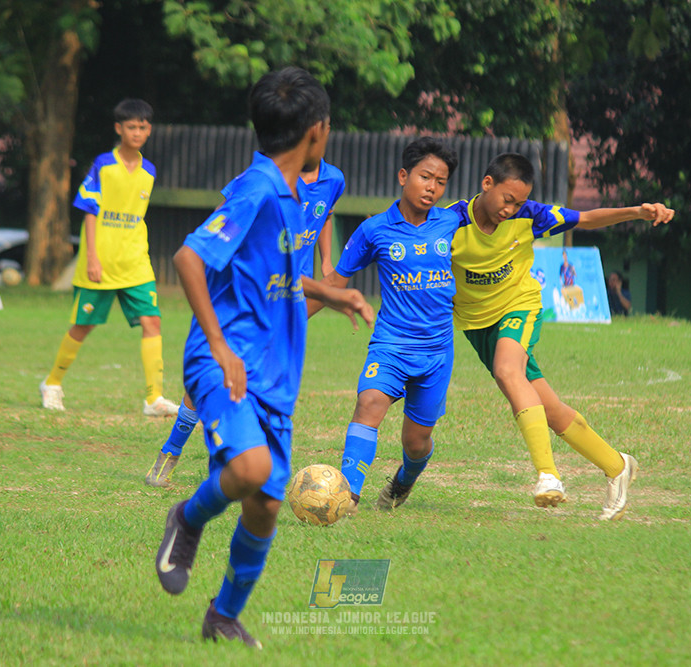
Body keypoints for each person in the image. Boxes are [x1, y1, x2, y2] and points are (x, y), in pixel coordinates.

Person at [154, 67, 373, 648]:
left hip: (275, 374)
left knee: (266, 506)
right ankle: (187, 517)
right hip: (225, 362)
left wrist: (330, 292)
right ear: (316, 130)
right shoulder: (255, 189)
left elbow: (275, 276)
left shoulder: (296, 196)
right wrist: (219, 346)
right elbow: (188, 258)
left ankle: (223, 616)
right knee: (250, 470)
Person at [446, 153, 674, 520]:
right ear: (487, 184)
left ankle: (548, 476)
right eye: (507, 199)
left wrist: (637, 212)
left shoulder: (530, 215)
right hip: (476, 324)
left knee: (507, 371)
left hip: (518, 307)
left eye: (518, 203)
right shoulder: (450, 222)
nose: (511, 209)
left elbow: (585, 218)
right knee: (548, 409)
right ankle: (617, 466)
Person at [144, 158, 345, 487]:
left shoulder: (333, 179)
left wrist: (326, 263)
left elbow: (326, 215)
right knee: (216, 373)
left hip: (292, 293)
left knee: (264, 376)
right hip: (246, 295)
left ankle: (242, 463)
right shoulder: (259, 180)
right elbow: (220, 224)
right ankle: (172, 449)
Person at [308, 137, 461, 512]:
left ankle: (403, 481)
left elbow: (495, 213)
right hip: (391, 344)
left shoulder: (453, 221)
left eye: (441, 181)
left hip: (437, 352)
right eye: (425, 177)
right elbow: (334, 284)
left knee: (416, 443)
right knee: (369, 403)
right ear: (403, 176)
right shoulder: (374, 229)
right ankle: (347, 496)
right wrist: (289, 320)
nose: (432, 187)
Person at [39, 98, 179, 417]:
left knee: (152, 321)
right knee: (83, 325)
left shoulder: (149, 171)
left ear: (149, 130)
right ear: (119, 129)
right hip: (101, 262)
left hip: (135, 263)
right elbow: (90, 211)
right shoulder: (103, 164)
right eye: (131, 127)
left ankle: (154, 398)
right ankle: (52, 383)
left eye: (143, 127)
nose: (137, 132)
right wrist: (91, 257)